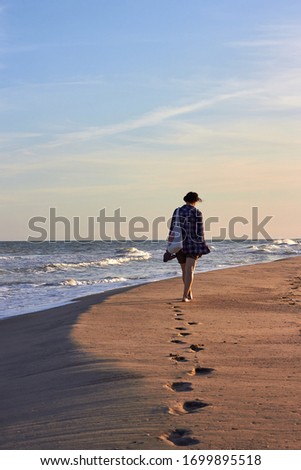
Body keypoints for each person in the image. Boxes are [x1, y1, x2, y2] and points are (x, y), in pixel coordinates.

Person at [169, 191, 210, 302]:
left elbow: (172, 228)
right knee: (190, 270)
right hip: (192, 245)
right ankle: (185, 295)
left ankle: (189, 292)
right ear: (195, 201)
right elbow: (200, 232)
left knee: (184, 271)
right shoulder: (197, 213)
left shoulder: (177, 211)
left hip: (179, 244)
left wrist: (170, 244)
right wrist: (203, 245)